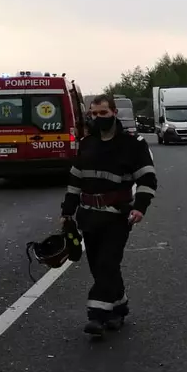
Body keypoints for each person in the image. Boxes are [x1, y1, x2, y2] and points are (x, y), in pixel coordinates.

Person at [61, 94, 157, 336]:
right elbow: (75, 181)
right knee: (100, 267)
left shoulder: (133, 144)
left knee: (107, 262)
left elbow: (147, 179)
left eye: (102, 113)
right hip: (88, 216)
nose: (97, 118)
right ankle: (118, 309)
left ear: (114, 113)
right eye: (93, 114)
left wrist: (140, 207)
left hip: (117, 216)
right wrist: (67, 212)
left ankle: (97, 315)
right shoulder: (86, 143)